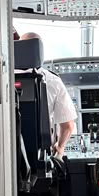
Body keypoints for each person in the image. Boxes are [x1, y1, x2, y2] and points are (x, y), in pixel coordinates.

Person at [19, 32, 77, 160]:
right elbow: (67, 125)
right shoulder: (52, 80)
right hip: (40, 159)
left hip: (7, 155)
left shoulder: (4, 78)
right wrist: (60, 147)